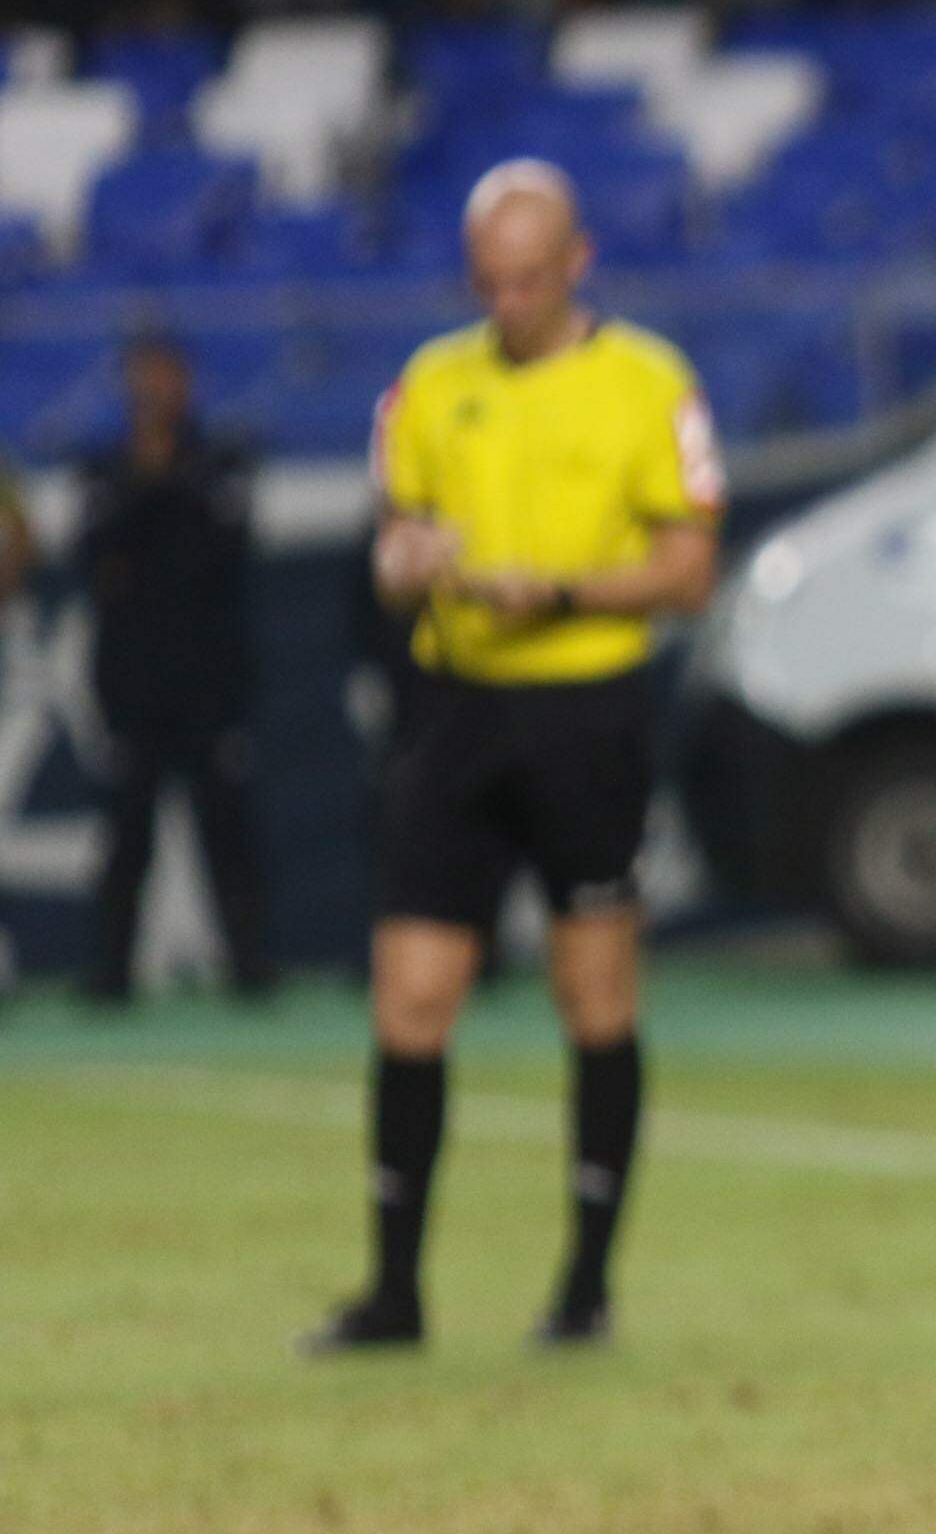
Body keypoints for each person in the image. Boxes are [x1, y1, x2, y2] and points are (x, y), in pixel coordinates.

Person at [307, 161, 724, 1355]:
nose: (513, 302)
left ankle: (585, 1286)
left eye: (532, 279)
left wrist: (559, 591)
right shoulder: (433, 385)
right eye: (493, 281)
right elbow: (393, 544)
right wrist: (410, 560)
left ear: (578, 261)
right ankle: (395, 1292)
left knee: (594, 993)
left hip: (587, 710)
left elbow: (689, 569)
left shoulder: (648, 382)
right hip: (456, 714)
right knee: (412, 995)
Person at [77, 333, 272, 1005]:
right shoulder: (105, 466)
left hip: (208, 682)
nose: (156, 391)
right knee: (127, 835)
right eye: (145, 378)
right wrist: (150, 490)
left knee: (228, 831)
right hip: (133, 684)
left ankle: (249, 967)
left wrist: (157, 493)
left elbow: (223, 546)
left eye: (167, 377)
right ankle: (111, 972)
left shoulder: (219, 458)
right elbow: (96, 554)